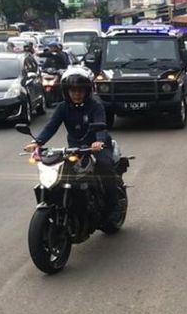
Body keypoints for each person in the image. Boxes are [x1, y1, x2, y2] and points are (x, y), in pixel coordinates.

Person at [23, 68, 119, 217]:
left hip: (97, 147)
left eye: (80, 90)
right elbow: (51, 126)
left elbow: (101, 124)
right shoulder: (62, 107)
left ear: (87, 91)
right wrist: (37, 142)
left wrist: (98, 141)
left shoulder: (95, 106)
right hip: (75, 147)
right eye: (73, 90)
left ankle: (113, 206)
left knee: (104, 166)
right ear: (66, 91)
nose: (76, 94)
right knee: (63, 172)